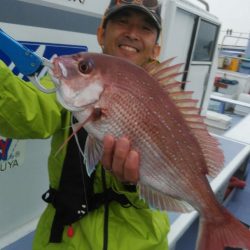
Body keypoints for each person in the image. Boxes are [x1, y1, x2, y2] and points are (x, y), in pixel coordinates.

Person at [0, 0, 170, 249]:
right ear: (101, 33)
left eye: (145, 28)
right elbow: (28, 112)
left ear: (156, 49)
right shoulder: (77, 86)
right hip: (63, 239)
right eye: (122, 22)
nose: (132, 33)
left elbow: (172, 181)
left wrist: (132, 185)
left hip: (141, 240)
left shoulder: (166, 103)